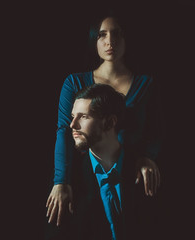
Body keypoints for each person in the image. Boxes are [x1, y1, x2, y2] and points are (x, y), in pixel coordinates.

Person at [46, 13, 162, 227]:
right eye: (102, 35)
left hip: (131, 173)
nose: (110, 41)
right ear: (94, 40)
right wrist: (61, 180)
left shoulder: (146, 84)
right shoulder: (74, 82)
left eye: (117, 34)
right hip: (89, 174)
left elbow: (156, 128)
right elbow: (64, 129)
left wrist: (148, 157)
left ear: (126, 38)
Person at [45, 84, 158, 240]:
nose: (72, 125)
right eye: (73, 116)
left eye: (83, 116)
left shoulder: (145, 173)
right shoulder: (67, 181)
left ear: (110, 122)